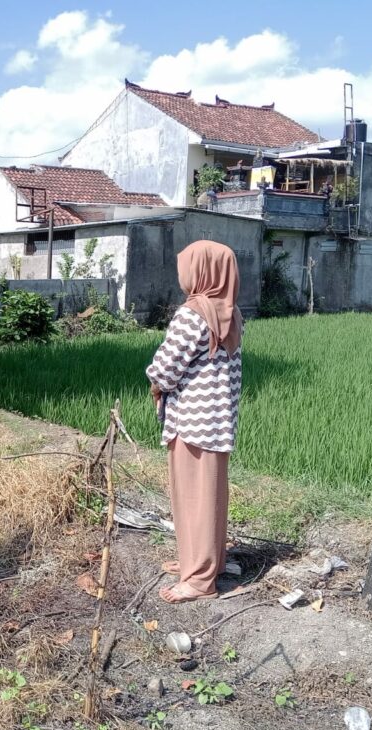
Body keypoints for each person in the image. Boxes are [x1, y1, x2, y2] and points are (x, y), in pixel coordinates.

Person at [146, 240, 243, 604]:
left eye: (186, 267)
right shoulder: (229, 312)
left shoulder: (193, 314)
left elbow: (165, 368)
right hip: (218, 420)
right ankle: (203, 562)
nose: (182, 274)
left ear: (201, 271)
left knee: (193, 497)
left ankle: (200, 580)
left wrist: (156, 385)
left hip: (191, 420)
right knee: (210, 497)